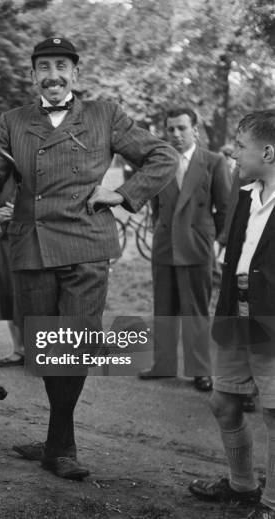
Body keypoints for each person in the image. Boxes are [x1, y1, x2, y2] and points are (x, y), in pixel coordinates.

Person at [0, 37, 177, 480]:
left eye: (61, 66)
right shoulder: (13, 122)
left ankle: (60, 443)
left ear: (77, 74)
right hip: (31, 248)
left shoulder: (104, 114)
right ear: (33, 76)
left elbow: (161, 157)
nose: (52, 76)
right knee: (48, 350)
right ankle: (58, 440)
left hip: (86, 246)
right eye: (44, 67)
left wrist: (121, 194)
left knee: (77, 346)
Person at [188, 110, 275, 519]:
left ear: (269, 152)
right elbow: (237, 256)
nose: (233, 153)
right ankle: (243, 487)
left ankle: (271, 506)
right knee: (224, 402)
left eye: (241, 146)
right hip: (235, 314)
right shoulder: (244, 194)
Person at [138, 107, 231, 391]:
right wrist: (162, 230)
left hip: (196, 247)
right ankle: (163, 364)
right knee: (164, 309)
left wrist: (213, 240)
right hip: (166, 246)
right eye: (171, 129)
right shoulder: (160, 162)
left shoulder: (213, 161)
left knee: (195, 311)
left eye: (182, 128)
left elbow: (225, 208)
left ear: (195, 129)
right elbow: (155, 207)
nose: (176, 134)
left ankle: (200, 370)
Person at [0, 178, 24, 367]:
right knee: (7, 290)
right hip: (4, 239)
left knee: (30, 293)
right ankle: (19, 349)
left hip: (28, 237)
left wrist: (18, 212)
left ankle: (38, 350)